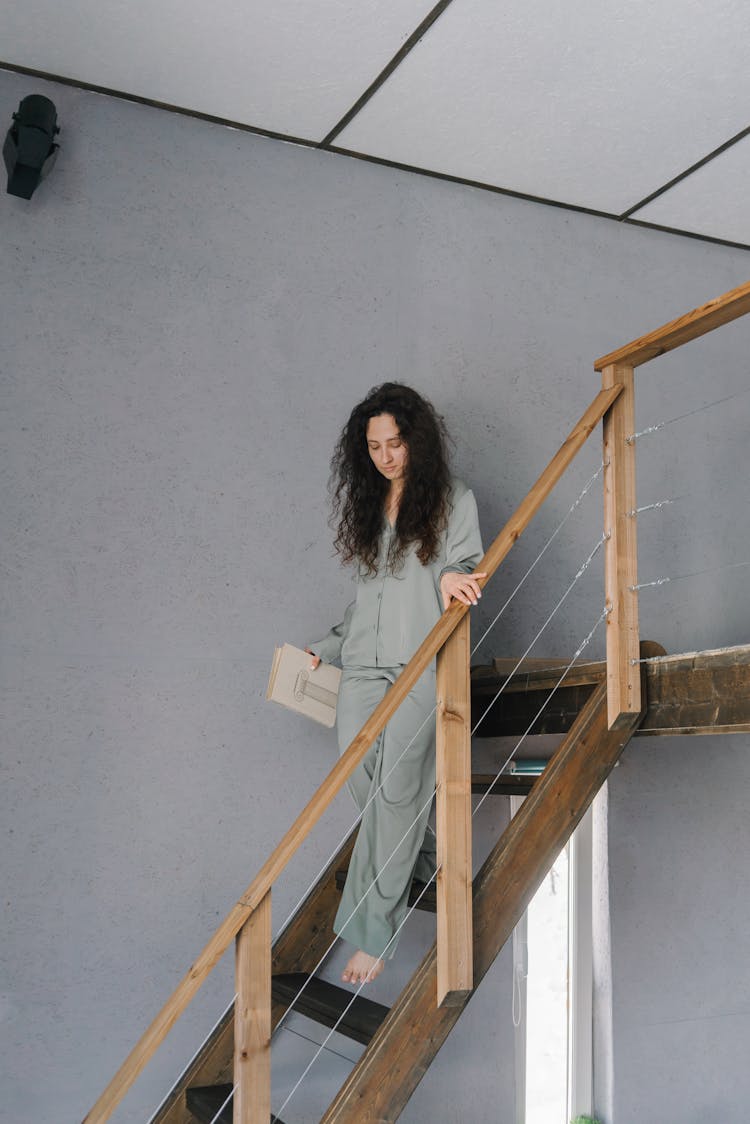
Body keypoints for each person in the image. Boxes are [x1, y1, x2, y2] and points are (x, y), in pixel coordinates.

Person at [307, 383, 485, 986]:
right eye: (375, 446)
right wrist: (324, 651)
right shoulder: (369, 508)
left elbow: (462, 567)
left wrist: (450, 582)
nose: (385, 456)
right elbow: (363, 606)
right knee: (362, 777)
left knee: (398, 789)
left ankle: (372, 935)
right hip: (362, 666)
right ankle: (429, 860)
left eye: (396, 442)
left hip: (419, 662)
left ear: (417, 440)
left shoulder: (453, 500)